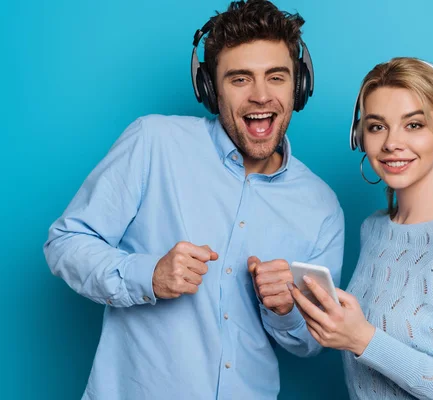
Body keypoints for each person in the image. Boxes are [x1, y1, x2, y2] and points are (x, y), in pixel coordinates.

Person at [43, 1, 344, 398]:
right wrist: (148, 275)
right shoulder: (154, 142)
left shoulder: (322, 205)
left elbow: (310, 342)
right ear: (209, 89)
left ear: (299, 86)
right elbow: (64, 242)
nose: (260, 96)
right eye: (239, 79)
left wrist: (285, 311)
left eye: (276, 77)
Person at [289, 57, 433, 399]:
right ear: (359, 137)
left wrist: (363, 339)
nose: (391, 143)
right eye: (377, 126)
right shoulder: (373, 229)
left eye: (413, 125)